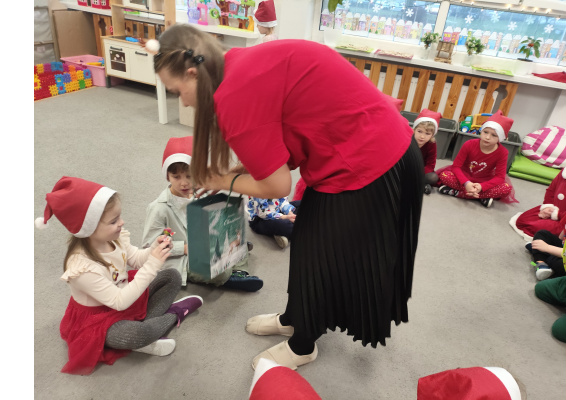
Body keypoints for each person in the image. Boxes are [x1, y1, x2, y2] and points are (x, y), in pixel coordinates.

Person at [151, 24, 423, 370]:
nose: (184, 101)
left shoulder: (232, 96)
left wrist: (222, 179)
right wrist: (231, 175)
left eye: (178, 91)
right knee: (308, 245)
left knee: (324, 256)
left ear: (193, 73)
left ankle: (303, 344)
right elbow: (275, 135)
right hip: (365, 143)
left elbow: (277, 186)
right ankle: (296, 318)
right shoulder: (235, 64)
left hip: (373, 159)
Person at [35, 176, 203, 375]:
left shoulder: (115, 238)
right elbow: (119, 302)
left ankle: (146, 330)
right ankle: (173, 314)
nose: (122, 223)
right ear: (89, 228)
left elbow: (137, 259)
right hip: (100, 317)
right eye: (114, 221)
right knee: (137, 333)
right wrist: (153, 264)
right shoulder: (82, 267)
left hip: (125, 294)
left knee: (172, 276)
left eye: (119, 217)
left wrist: (153, 250)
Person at [142, 136, 263, 292]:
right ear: (167, 176)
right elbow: (148, 245)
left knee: (237, 235)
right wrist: (183, 248)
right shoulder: (158, 208)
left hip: (206, 245)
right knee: (220, 270)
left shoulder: (200, 193)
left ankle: (239, 272)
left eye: (189, 176)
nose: (184, 183)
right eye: (176, 177)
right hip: (183, 258)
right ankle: (229, 276)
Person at [437, 110, 517, 208]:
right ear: (481, 131)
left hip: (485, 180)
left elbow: (500, 177)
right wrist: (466, 183)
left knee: (506, 188)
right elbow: (456, 167)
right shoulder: (469, 144)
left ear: (500, 138)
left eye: (494, 135)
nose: (487, 137)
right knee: (445, 176)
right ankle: (481, 197)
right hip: (464, 176)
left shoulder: (503, 152)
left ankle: (459, 193)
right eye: (485, 132)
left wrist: (482, 187)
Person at [510, 167, 566, 241]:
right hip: (554, 209)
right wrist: (548, 206)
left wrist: (557, 214)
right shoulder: (565, 172)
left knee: (535, 227)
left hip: (565, 221)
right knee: (522, 220)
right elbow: (551, 190)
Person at [528, 214, 566, 281]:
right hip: (564, 248)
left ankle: (539, 253)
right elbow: (561, 237)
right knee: (542, 233)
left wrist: (547, 247)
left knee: (556, 261)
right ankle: (541, 263)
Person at [413, 109, 442, 195]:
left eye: (427, 133)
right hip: (407, 169)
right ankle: (420, 185)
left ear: (432, 135)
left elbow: (431, 164)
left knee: (433, 177)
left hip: (421, 171)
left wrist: (419, 172)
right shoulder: (408, 139)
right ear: (414, 129)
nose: (422, 136)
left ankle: (416, 184)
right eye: (419, 131)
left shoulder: (431, 144)